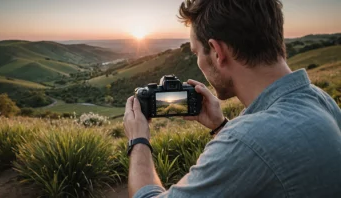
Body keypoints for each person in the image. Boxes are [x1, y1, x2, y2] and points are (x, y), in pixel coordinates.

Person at [123, 0, 341, 197]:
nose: (198, 60)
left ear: (217, 52)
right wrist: (221, 126)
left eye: (196, 52)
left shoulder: (246, 141)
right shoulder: (322, 100)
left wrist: (139, 140)